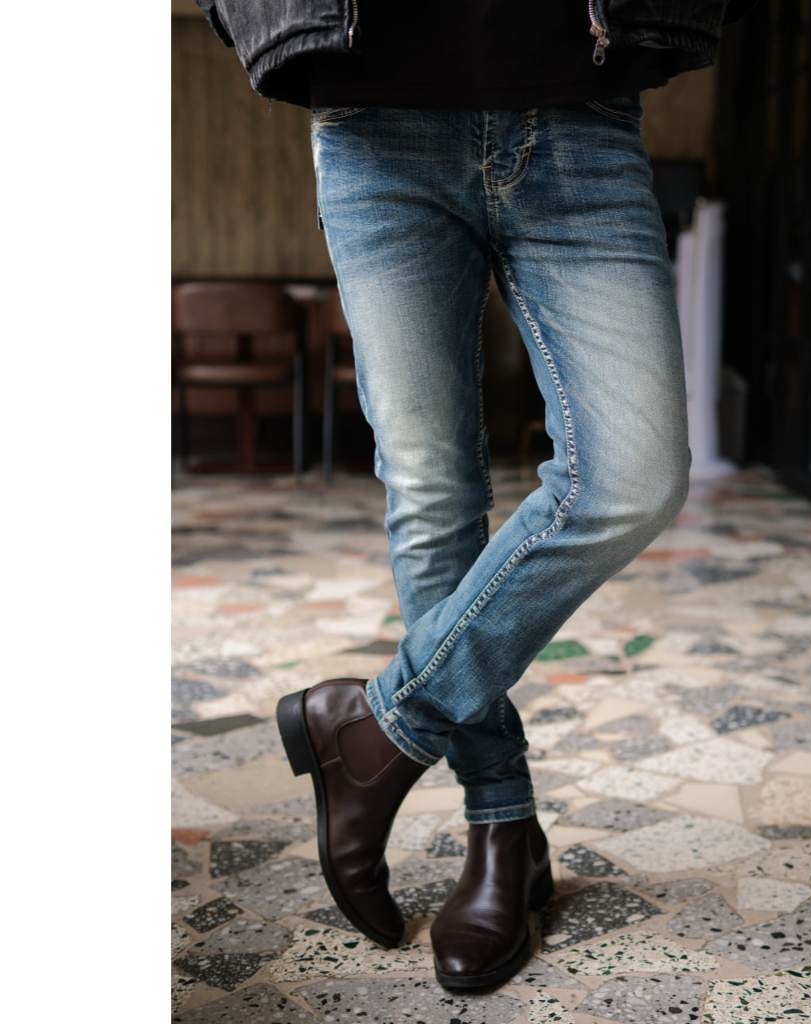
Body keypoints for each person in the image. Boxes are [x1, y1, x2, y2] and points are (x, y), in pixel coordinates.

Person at [196, 0, 755, 992]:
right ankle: (503, 825)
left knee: (633, 475)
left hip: (578, 112)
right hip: (375, 121)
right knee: (429, 488)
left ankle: (378, 727)